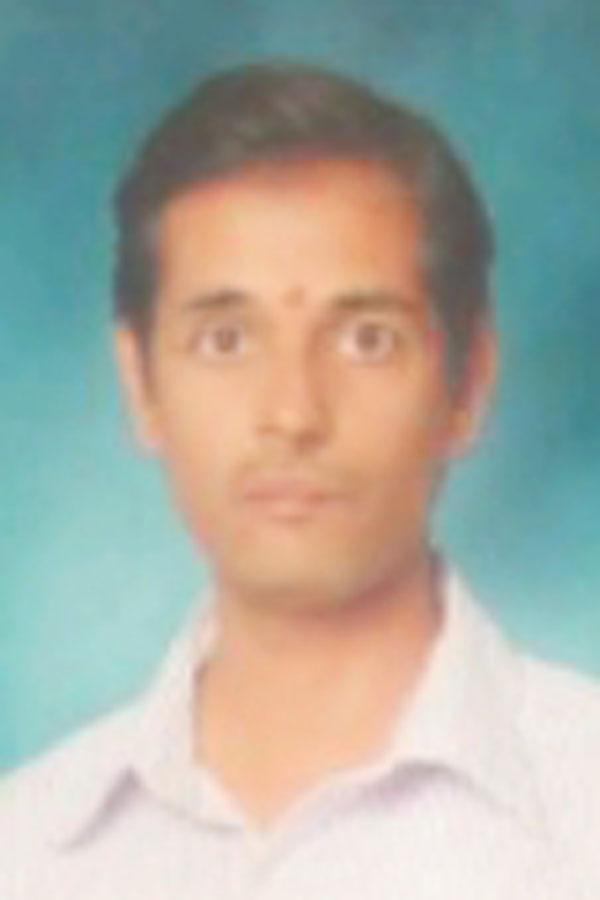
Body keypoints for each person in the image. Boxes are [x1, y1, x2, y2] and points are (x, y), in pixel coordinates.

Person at [1, 62, 599, 900]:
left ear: (468, 385)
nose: (292, 413)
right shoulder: (27, 846)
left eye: (366, 339)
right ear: (141, 387)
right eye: (226, 341)